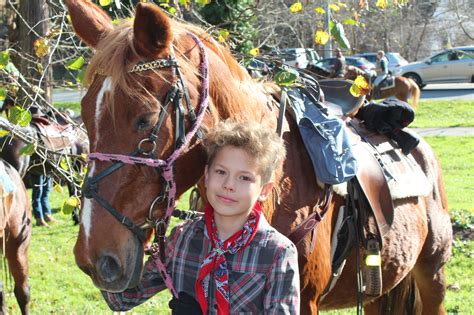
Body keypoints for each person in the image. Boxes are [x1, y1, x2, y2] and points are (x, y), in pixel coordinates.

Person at [101, 120, 300, 314]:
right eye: (221, 172)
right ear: (206, 175)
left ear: (264, 190)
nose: (228, 185)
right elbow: (123, 299)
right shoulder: (182, 238)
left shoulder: (277, 253)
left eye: (244, 177)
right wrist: (102, 235)